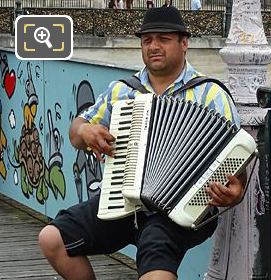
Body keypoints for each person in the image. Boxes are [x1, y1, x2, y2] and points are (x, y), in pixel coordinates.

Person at [38, 6, 246, 280]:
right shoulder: (122, 90)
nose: (153, 46)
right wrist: (86, 131)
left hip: (179, 211)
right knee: (51, 238)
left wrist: (236, 190)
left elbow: (236, 162)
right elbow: (76, 130)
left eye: (163, 39)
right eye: (147, 40)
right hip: (121, 200)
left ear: (184, 43)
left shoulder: (210, 95)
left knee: (155, 273)